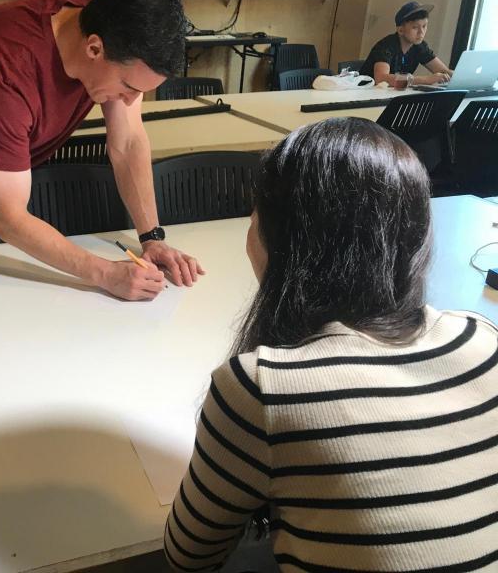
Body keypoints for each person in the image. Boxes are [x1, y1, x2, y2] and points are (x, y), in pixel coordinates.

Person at [164, 118, 498, 571]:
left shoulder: (261, 389)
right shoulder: (481, 337)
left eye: (254, 216)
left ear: (284, 242)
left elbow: (189, 556)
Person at [0, 0, 204, 302]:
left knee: (6, 275)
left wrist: (152, 238)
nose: (131, 101)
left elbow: (129, 140)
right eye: (128, 87)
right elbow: (8, 217)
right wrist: (105, 273)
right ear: (94, 48)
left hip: (10, 157)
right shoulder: (4, 59)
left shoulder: (109, 17)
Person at [360, 1, 455, 87]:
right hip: (364, 94)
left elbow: (444, 72)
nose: (421, 32)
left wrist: (460, 76)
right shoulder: (386, 46)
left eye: (424, 26)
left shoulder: (419, 46)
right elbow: (381, 79)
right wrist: (425, 80)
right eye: (415, 27)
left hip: (390, 95)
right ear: (401, 30)